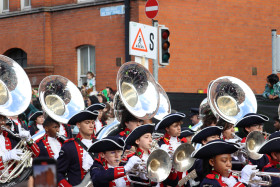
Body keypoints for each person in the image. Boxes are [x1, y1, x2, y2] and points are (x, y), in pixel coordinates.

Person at [191, 139, 260, 187]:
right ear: (212, 162)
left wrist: (252, 185)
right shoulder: (209, 182)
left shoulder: (235, 178)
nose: (229, 164)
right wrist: (244, 182)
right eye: (224, 161)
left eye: (230, 160)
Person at [57, 110, 98, 186]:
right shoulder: (69, 146)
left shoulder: (99, 144)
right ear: (78, 125)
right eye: (87, 122)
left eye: (92, 122)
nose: (91, 125)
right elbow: (58, 173)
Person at [155, 112, 185, 187]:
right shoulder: (160, 143)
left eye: (179, 125)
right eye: (175, 126)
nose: (179, 128)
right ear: (167, 128)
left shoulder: (182, 142)